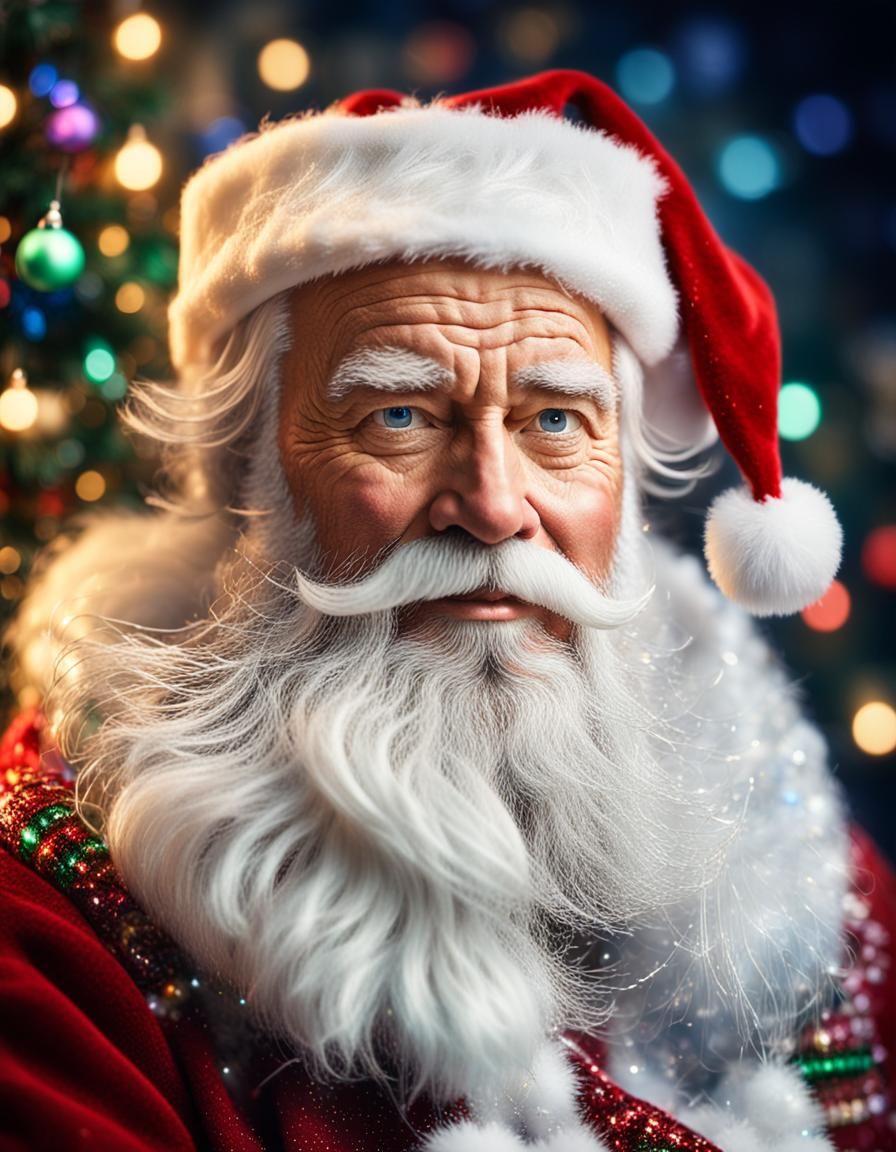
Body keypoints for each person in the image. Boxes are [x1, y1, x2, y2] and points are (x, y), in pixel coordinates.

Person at [1, 69, 893, 1152]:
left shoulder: (792, 867)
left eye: (555, 420)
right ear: (250, 482)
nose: (494, 505)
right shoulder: (49, 932)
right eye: (399, 415)